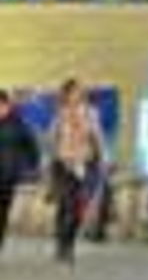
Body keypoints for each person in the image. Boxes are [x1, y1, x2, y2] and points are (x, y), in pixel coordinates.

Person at [47, 78, 106, 265]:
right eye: (75, 91)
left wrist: (104, 158)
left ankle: (68, 244)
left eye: (81, 91)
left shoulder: (91, 113)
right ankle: (61, 245)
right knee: (66, 205)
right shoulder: (60, 114)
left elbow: (98, 136)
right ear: (67, 94)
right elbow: (51, 139)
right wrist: (52, 159)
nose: (79, 94)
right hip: (63, 165)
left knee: (77, 207)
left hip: (85, 164)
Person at [0, 90, 41, 255]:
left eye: (1, 105)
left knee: (2, 212)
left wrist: (30, 166)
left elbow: (32, 147)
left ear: (7, 105)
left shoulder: (18, 124)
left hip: (7, 176)